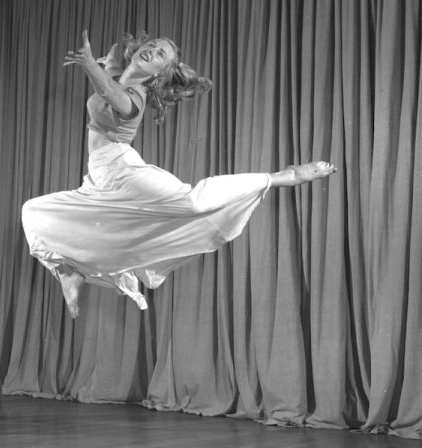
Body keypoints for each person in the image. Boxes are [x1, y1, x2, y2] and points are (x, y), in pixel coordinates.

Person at [22, 30, 336, 319]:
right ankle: (68, 269)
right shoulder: (120, 75)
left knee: (193, 203)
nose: (152, 51)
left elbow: (111, 95)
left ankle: (283, 176)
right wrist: (108, 63)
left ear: (159, 74)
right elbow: (111, 76)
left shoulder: (136, 96)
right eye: (151, 46)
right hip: (98, 174)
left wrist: (93, 67)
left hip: (122, 169)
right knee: (34, 211)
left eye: (161, 55)